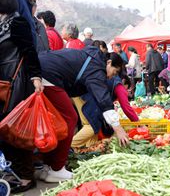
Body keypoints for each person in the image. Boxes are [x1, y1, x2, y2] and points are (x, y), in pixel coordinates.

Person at [37, 48, 129, 182]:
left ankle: (48, 166)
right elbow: (103, 99)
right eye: (114, 72)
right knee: (69, 118)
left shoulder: (93, 58)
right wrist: (119, 129)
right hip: (48, 75)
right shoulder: (97, 69)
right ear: (108, 63)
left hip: (44, 70)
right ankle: (57, 169)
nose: (110, 77)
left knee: (56, 121)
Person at [0, 0, 43, 193]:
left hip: (15, 84)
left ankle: (26, 176)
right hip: (3, 84)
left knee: (15, 131)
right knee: (5, 132)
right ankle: (13, 170)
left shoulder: (16, 22)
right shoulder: (2, 24)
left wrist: (36, 77)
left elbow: (29, 51)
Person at [71, 74, 139, 148]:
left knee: (92, 124)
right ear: (124, 81)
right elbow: (126, 106)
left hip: (79, 92)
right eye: (126, 88)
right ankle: (69, 146)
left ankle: (90, 147)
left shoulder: (112, 80)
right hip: (82, 94)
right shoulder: (119, 85)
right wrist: (138, 122)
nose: (125, 91)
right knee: (91, 126)